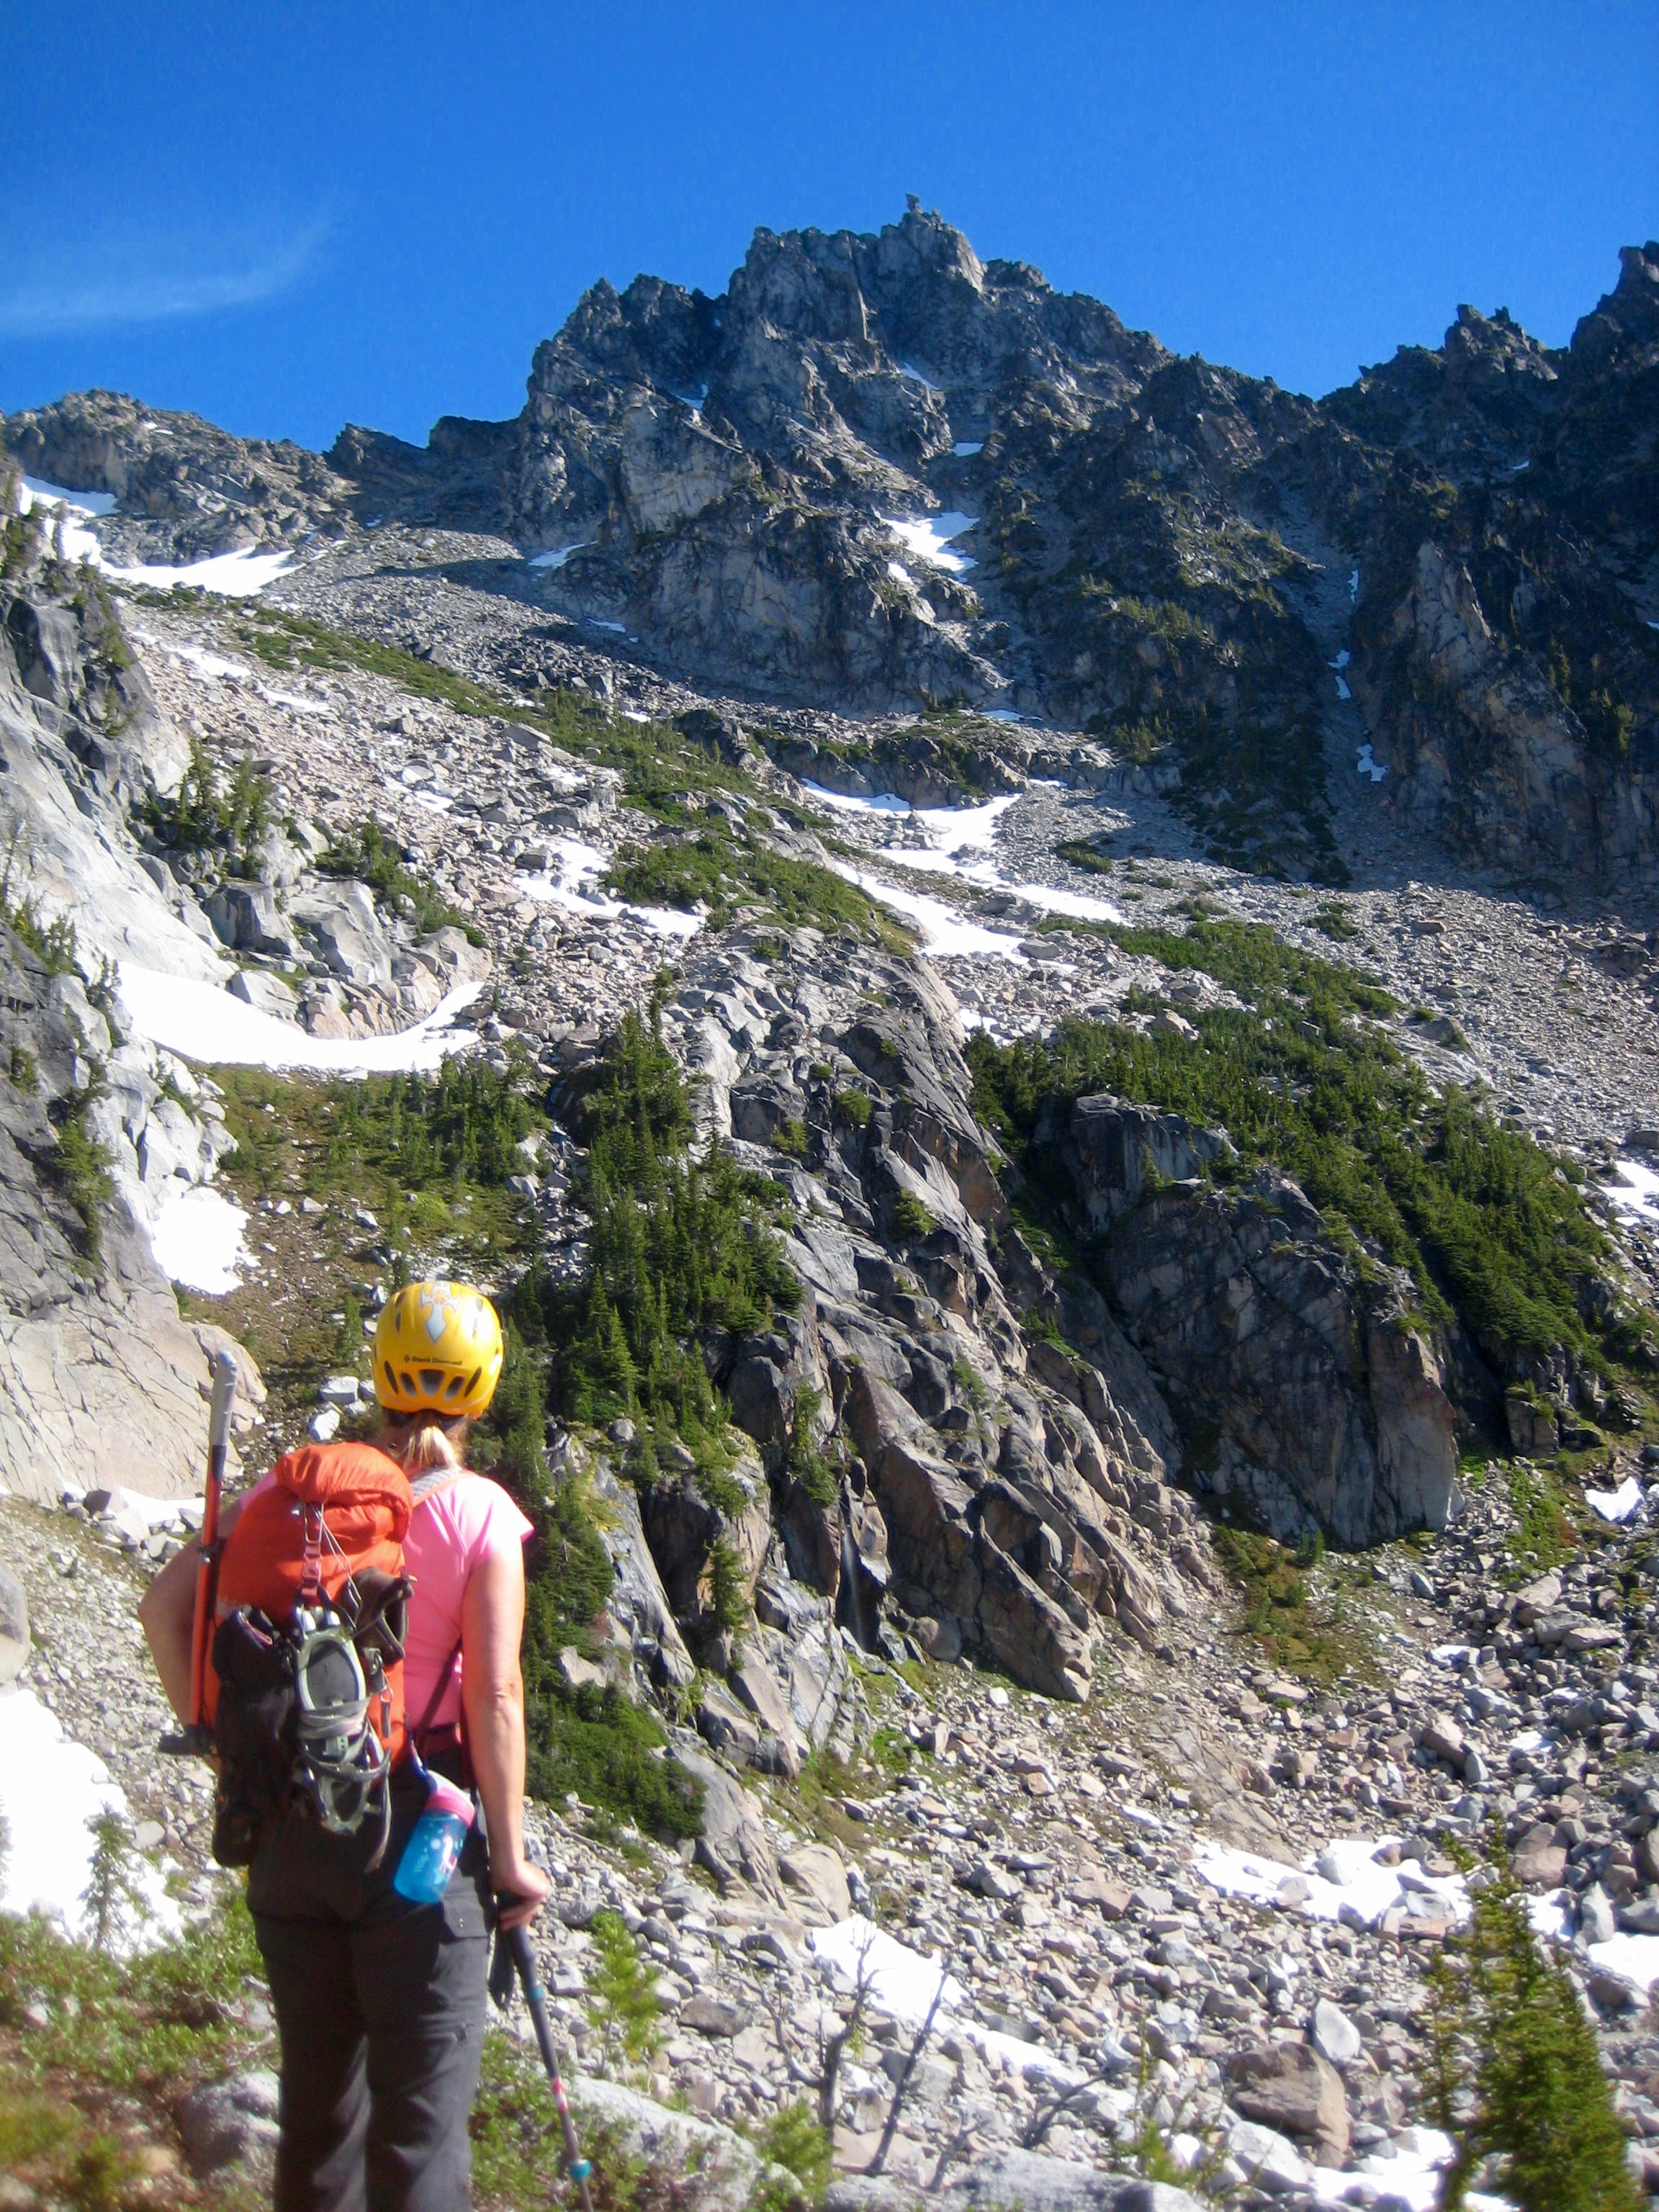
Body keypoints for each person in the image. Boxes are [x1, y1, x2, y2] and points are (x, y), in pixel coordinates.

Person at [140, 1280, 551, 2212]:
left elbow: (165, 1610)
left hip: (288, 1832)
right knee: (419, 2142)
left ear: (382, 1376)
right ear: (482, 1391)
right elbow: (495, 1691)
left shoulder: (297, 1499)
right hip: (419, 1844)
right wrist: (516, 1861)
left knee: (319, 2127)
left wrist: (228, 1755)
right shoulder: (482, 1514)